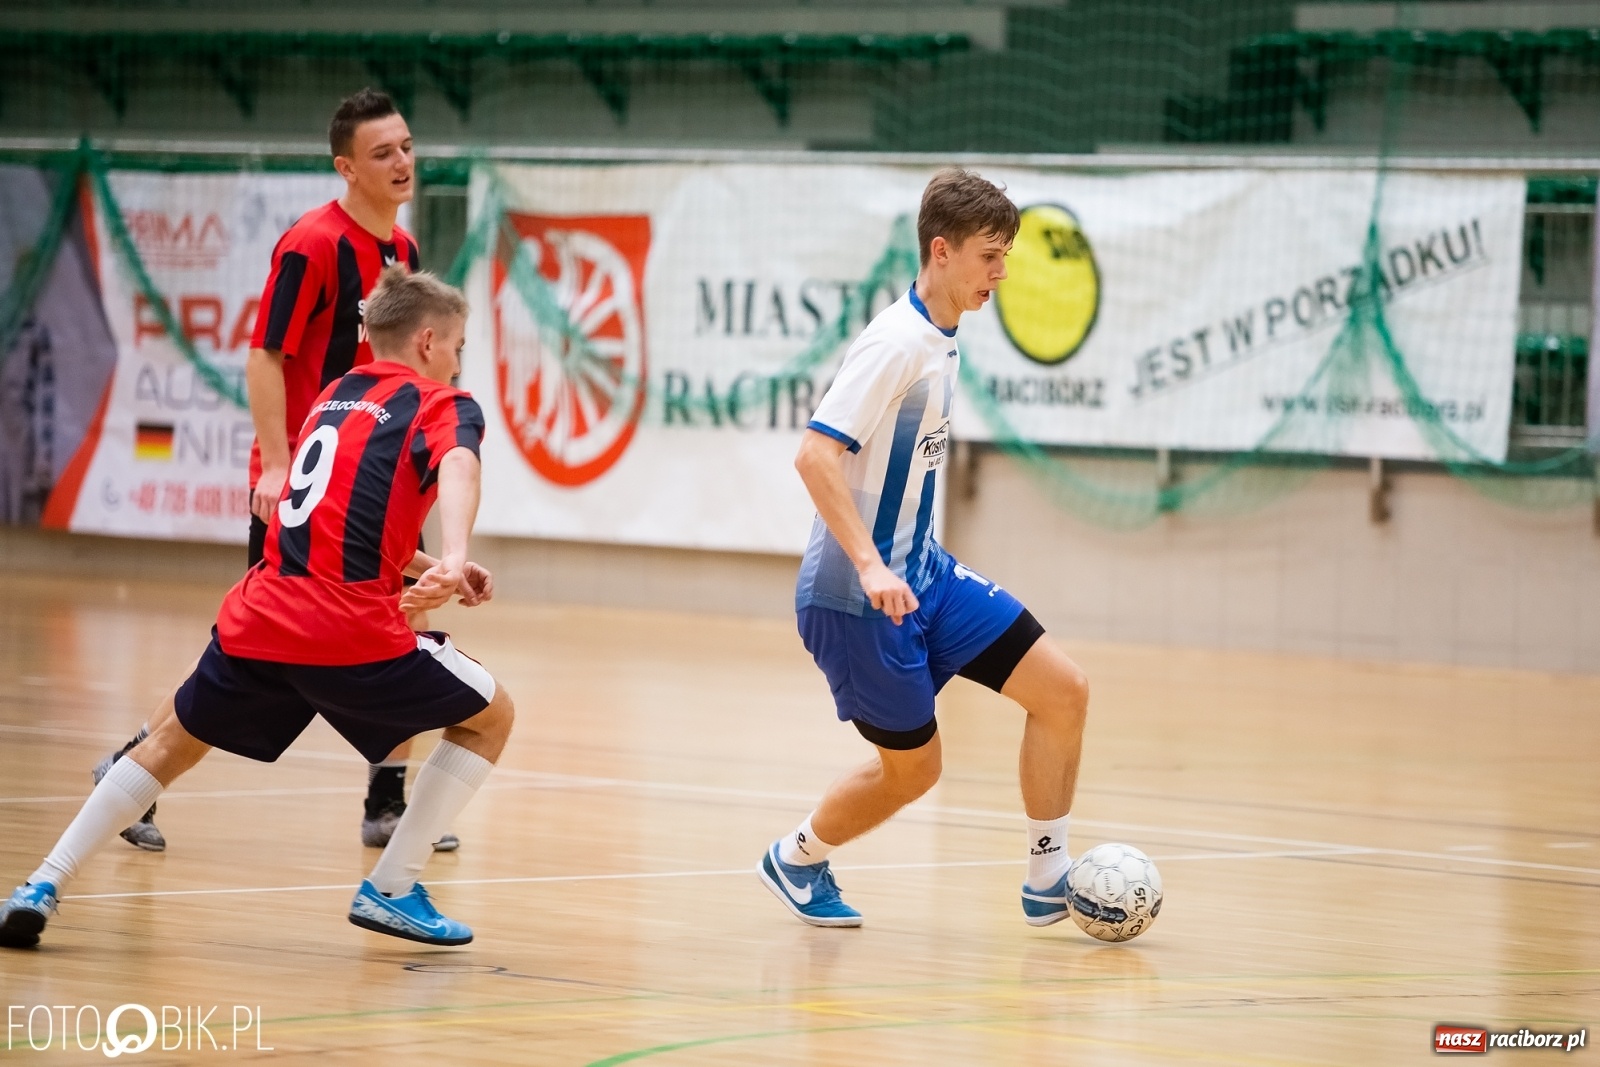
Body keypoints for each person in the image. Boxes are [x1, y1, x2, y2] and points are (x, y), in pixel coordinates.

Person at [2, 268, 509, 950]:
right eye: (456, 344)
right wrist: (453, 549)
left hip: (260, 617)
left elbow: (341, 522)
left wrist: (433, 566)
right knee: (491, 716)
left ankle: (41, 881)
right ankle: (391, 887)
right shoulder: (443, 399)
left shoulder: (334, 396)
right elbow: (460, 465)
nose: (457, 357)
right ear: (426, 341)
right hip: (344, 630)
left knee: (166, 745)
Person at [92, 87, 456, 852]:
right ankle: (129, 770)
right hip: (307, 482)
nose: (402, 161)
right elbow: (265, 355)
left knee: (407, 613)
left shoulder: (404, 253)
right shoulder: (312, 244)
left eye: (406, 146)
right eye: (382, 152)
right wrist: (279, 465)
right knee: (252, 641)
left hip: (379, 476)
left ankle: (385, 803)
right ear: (345, 167)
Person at [757, 169, 1090, 928]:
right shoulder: (896, 343)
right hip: (857, 599)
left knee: (1064, 690)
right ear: (941, 252)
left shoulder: (941, 334)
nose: (1000, 275)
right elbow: (814, 454)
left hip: (928, 576)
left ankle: (1048, 878)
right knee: (915, 772)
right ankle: (797, 857)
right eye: (989, 257)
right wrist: (871, 565)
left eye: (1005, 257)